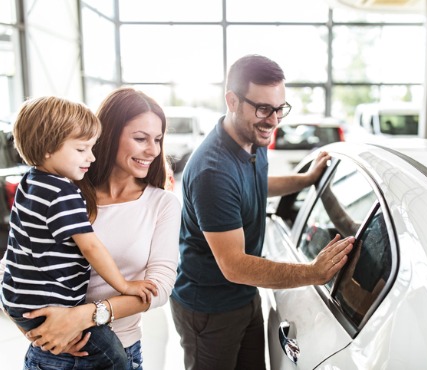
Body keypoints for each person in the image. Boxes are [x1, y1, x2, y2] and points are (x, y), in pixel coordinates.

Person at [170, 54, 355, 370]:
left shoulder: (251, 138)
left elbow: (254, 184)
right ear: (232, 100)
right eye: (263, 109)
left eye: (279, 108)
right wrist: (313, 272)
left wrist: (305, 179)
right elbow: (235, 266)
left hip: (244, 297)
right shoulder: (212, 171)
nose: (273, 120)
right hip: (210, 309)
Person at [0, 87, 181, 370]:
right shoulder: (65, 192)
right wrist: (33, 329)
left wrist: (86, 316)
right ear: (107, 136)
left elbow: (157, 289)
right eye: (140, 138)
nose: (153, 150)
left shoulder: (162, 204)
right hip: (52, 352)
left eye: (158, 139)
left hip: (117, 346)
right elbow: (12, 264)